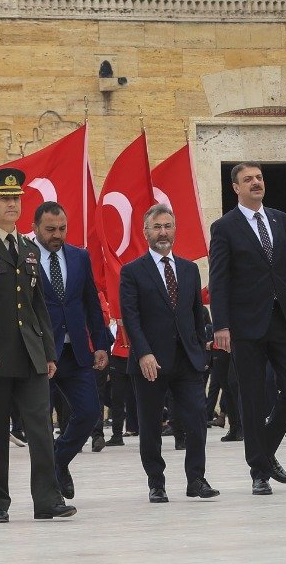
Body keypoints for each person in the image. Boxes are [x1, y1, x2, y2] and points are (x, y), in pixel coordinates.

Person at [0, 168, 75, 524]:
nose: (12, 204)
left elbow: (38, 304)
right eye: (4, 199)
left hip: (29, 353)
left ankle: (47, 499)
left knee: (40, 428)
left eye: (16, 198)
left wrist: (49, 352)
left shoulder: (27, 248)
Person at [207, 161, 286, 496]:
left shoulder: (280, 220)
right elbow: (219, 280)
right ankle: (259, 471)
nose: (256, 183)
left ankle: (265, 449)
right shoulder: (224, 227)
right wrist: (220, 324)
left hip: (283, 319)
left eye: (259, 178)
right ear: (235, 187)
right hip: (245, 324)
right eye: (248, 179)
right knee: (251, 398)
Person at [120, 202, 217, 503]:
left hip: (187, 360)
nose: (163, 232)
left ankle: (196, 479)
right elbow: (131, 318)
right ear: (145, 232)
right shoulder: (132, 272)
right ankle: (156, 482)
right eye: (157, 227)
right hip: (151, 362)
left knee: (198, 418)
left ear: (175, 230)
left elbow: (196, 313)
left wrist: (201, 351)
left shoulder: (189, 270)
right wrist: (143, 353)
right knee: (150, 425)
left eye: (168, 226)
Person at [33, 201, 111, 499]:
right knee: (40, 419)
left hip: (76, 351)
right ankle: (49, 484)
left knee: (90, 413)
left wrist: (101, 343)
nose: (57, 235)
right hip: (40, 353)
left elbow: (91, 302)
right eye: (50, 229)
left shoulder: (79, 257)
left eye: (62, 228)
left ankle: (58, 461)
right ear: (36, 227)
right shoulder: (24, 258)